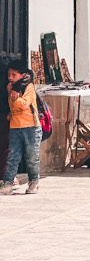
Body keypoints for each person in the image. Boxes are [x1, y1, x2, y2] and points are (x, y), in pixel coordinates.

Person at [2, 64, 41, 196]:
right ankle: (7, 183)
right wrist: (11, 95)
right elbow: (13, 107)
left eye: (14, 75)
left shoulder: (29, 87)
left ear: (22, 76)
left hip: (31, 127)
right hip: (15, 127)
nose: (10, 78)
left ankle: (34, 182)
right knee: (13, 157)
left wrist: (15, 97)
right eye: (9, 75)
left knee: (31, 158)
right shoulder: (11, 88)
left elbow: (23, 105)